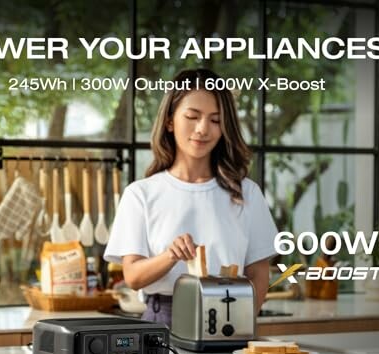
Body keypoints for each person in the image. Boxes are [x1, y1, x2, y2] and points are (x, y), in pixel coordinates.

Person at [104, 68, 278, 327]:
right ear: (170, 121)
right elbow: (133, 276)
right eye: (192, 116)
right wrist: (170, 255)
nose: (202, 129)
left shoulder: (247, 193)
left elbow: (258, 275)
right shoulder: (140, 194)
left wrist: (239, 323)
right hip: (162, 321)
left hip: (229, 317)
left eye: (216, 120)